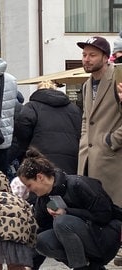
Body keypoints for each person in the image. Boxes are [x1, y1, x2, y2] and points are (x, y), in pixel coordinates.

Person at [17, 148, 122, 270]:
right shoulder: (43, 200)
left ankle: (81, 267)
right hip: (83, 240)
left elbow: (105, 215)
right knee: (40, 240)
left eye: (29, 185)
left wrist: (67, 212)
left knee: (62, 222)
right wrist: (30, 266)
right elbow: (40, 231)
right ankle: (90, 267)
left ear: (40, 177)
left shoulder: (78, 184)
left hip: (105, 236)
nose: (28, 190)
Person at [76, 36, 122, 206]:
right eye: (84, 54)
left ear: (105, 57)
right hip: (88, 159)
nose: (86, 59)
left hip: (112, 161)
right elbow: (86, 118)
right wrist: (84, 140)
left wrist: (112, 140)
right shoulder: (87, 84)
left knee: (114, 213)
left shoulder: (118, 78)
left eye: (92, 55)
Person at [14, 80, 82, 175]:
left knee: (41, 186)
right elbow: (81, 132)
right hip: (71, 158)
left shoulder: (32, 106)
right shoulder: (74, 109)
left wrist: (25, 151)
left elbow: (22, 130)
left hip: (39, 157)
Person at [0, 170, 38, 270]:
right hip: (17, 236)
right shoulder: (20, 200)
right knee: (16, 265)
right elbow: (32, 222)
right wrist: (31, 242)